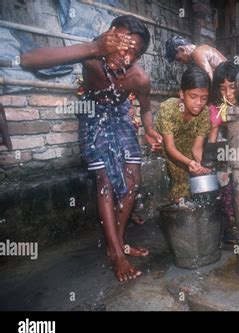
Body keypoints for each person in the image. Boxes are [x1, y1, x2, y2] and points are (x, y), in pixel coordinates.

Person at [20, 15, 163, 282]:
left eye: (132, 50)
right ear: (108, 36)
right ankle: (118, 255)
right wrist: (94, 47)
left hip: (119, 115)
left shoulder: (139, 79)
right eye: (119, 43)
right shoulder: (91, 56)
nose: (123, 53)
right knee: (105, 180)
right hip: (93, 113)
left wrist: (150, 129)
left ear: (139, 56)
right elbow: (29, 60)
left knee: (133, 179)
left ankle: (116, 245)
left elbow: (145, 111)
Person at [156, 67, 212, 201]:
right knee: (180, 187)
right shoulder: (168, 109)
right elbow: (169, 147)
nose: (199, 103)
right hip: (167, 151)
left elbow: (197, 147)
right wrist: (189, 163)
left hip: (188, 151)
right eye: (193, 97)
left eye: (204, 98)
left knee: (195, 188)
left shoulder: (205, 113)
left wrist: (198, 164)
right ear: (182, 93)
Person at [208, 61, 239, 223]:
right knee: (226, 188)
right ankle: (231, 219)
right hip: (223, 159)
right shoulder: (217, 108)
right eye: (223, 88)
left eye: (232, 86)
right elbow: (213, 140)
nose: (228, 93)